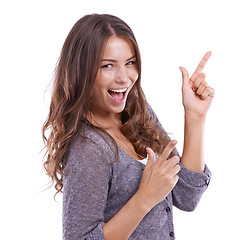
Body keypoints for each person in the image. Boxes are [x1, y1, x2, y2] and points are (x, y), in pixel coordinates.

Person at [42, 14, 214, 240]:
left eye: (130, 63)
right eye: (107, 66)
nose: (124, 78)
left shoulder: (137, 111)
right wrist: (144, 198)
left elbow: (186, 195)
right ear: (81, 72)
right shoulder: (89, 149)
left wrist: (195, 116)